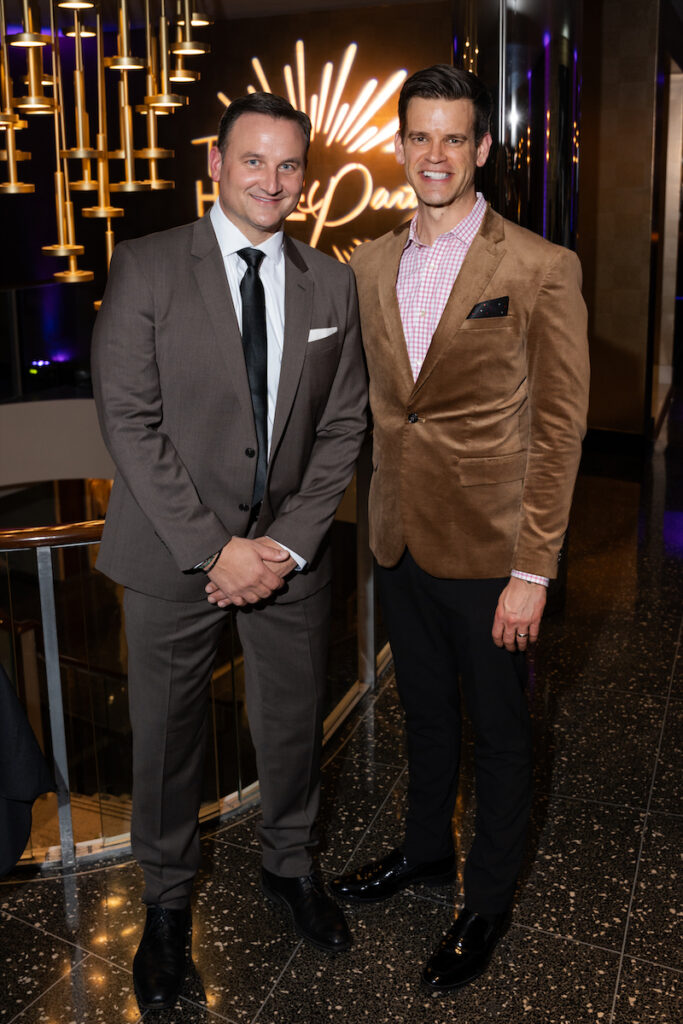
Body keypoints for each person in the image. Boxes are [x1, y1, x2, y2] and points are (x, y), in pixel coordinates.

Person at [92, 92, 367, 1011]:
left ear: (304, 176)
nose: (272, 181)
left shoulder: (331, 284)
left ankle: (290, 868)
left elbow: (342, 427)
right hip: (174, 556)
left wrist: (284, 545)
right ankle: (165, 909)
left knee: (290, 730)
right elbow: (129, 422)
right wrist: (216, 549)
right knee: (166, 747)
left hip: (289, 559)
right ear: (214, 164)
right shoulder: (145, 267)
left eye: (288, 165)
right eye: (254, 161)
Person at [331, 65, 589, 992]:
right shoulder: (365, 263)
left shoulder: (537, 266)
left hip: (492, 552)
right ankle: (422, 852)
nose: (434, 154)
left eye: (453, 138)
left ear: (480, 148)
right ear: (397, 146)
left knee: (503, 733)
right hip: (397, 537)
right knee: (426, 715)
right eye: (419, 136)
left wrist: (535, 570)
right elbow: (369, 405)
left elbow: (559, 429)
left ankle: (484, 901)